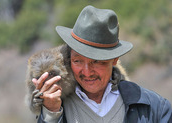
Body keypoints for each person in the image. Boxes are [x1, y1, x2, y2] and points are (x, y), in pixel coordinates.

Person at [32, 5, 172, 123]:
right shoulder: (56, 104)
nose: (86, 72)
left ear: (115, 59)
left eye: (97, 62)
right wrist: (51, 112)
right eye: (77, 61)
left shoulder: (154, 108)